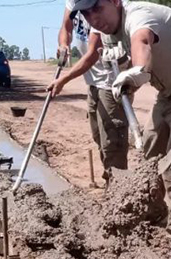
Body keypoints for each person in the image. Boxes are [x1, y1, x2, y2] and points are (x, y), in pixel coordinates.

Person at [70, 0, 171, 259]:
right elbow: (135, 55)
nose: (93, 17)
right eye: (85, 13)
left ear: (114, 1)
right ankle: (155, 214)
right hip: (169, 90)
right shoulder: (108, 30)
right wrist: (126, 70)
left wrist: (136, 71)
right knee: (150, 153)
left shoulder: (138, 16)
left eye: (96, 8)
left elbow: (143, 42)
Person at [49, 0, 129, 182]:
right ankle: (112, 177)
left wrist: (64, 79)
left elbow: (93, 54)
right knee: (98, 135)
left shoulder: (99, 8)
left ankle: (118, 188)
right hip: (92, 81)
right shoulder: (73, 2)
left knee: (112, 139)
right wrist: (63, 44)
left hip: (111, 80)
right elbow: (65, 27)